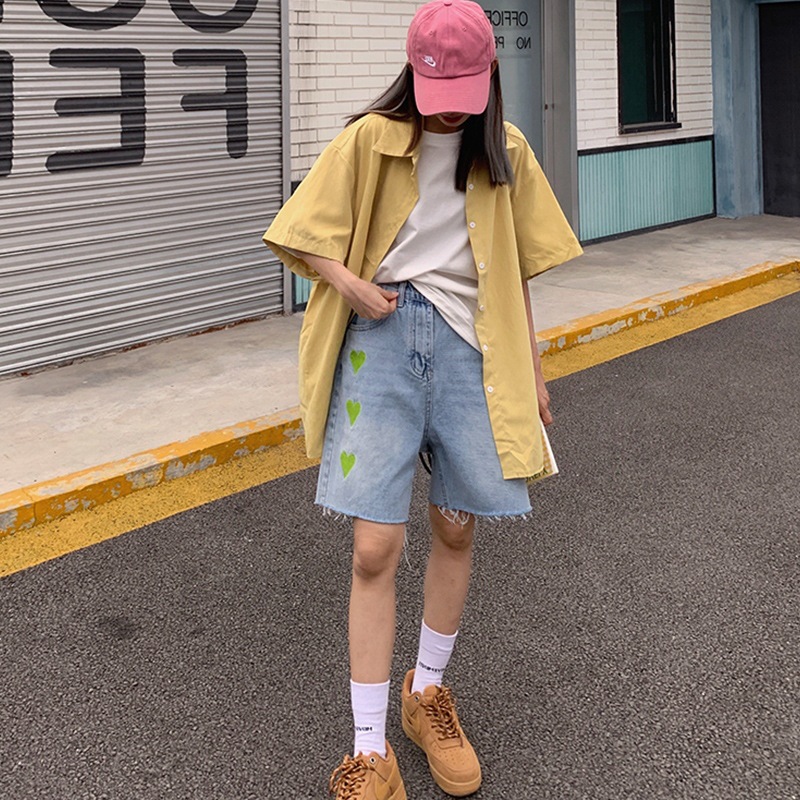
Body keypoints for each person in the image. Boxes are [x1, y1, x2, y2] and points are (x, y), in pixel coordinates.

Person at [263, 1, 582, 796]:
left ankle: (426, 693)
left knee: (456, 525)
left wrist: (534, 370)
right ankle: (369, 748)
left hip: (475, 350)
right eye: (437, 92)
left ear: (490, 77)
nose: (447, 111)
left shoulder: (506, 150)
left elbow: (514, 272)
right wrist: (350, 284)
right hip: (380, 344)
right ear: (412, 72)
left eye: (463, 93)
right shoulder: (368, 139)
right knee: (374, 546)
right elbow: (298, 232)